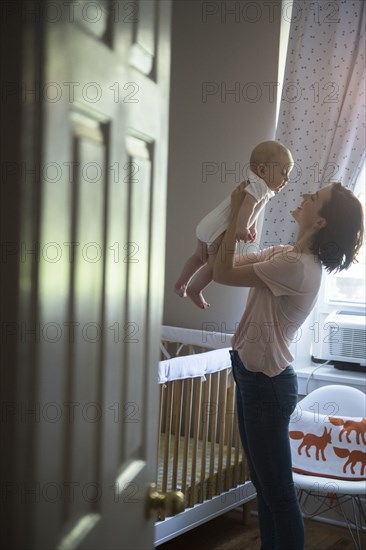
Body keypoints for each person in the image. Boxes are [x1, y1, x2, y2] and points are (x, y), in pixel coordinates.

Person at [213, 181, 364, 550]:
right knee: (265, 487)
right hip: (255, 377)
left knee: (277, 493)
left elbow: (222, 272)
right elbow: (222, 261)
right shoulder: (286, 255)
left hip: (266, 383)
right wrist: (239, 217)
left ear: (322, 221)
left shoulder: (294, 265)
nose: (304, 197)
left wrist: (237, 211)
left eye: (314, 198)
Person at [174, 140, 294, 309]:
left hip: (208, 224)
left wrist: (251, 226)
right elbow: (246, 206)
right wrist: (241, 227)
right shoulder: (259, 186)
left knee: (199, 257)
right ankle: (195, 289)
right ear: (262, 170)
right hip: (219, 229)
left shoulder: (258, 186)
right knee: (215, 264)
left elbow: (253, 208)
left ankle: (181, 282)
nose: (286, 179)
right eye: (283, 172)